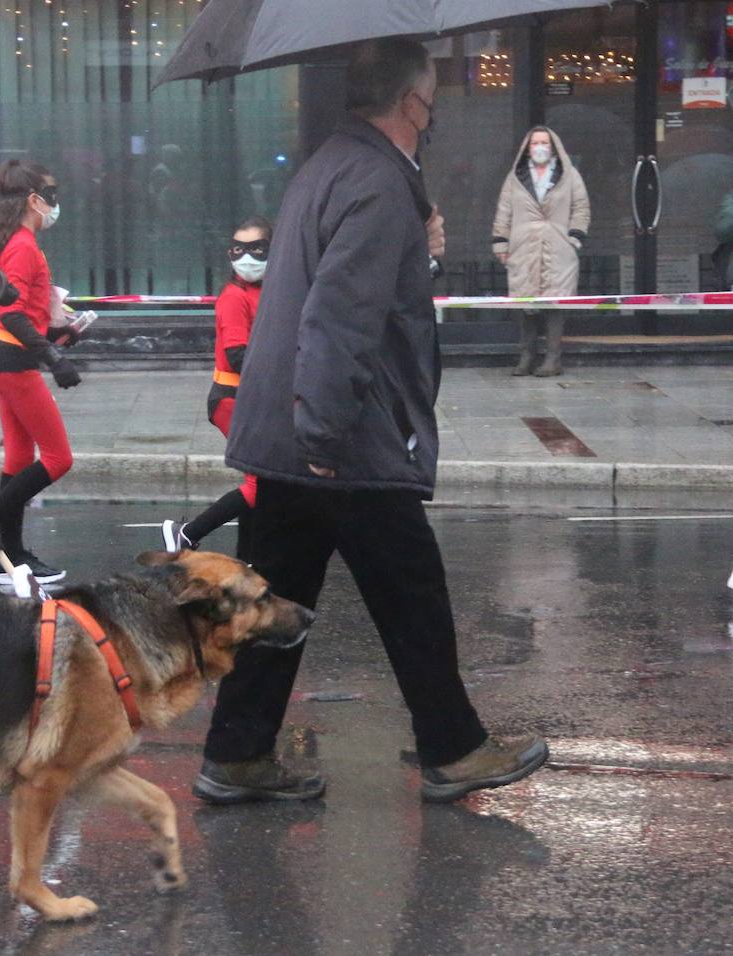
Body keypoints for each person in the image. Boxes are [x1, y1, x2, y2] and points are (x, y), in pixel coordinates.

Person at [193, 38, 548, 807]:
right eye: (434, 95)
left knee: (270, 603)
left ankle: (237, 753)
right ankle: (454, 748)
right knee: (411, 589)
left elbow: (343, 290)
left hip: (294, 433)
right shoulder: (379, 182)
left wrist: (417, 254)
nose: (436, 109)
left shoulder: (332, 167)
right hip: (340, 438)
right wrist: (323, 434)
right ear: (414, 103)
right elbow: (339, 319)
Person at [0, 159, 79, 587]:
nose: (56, 204)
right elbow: (8, 310)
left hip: (12, 357)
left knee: (20, 461)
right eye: (51, 195)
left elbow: (23, 311)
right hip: (13, 360)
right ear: (34, 200)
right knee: (58, 460)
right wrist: (51, 357)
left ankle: (8, 554)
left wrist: (60, 335)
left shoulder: (21, 241)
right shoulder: (21, 244)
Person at [160, 217, 269, 553]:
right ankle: (188, 534)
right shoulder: (235, 296)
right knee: (260, 483)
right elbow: (238, 355)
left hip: (250, 396)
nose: (246, 257)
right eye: (239, 249)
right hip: (233, 397)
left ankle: (249, 558)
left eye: (256, 249)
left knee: (259, 478)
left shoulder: (265, 291)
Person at [491, 125, 590, 377]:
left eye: (544, 142)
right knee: (526, 302)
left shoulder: (569, 175)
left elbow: (581, 207)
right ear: (527, 148)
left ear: (553, 147)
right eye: (534, 143)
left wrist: (575, 237)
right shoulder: (516, 178)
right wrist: (501, 244)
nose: (539, 147)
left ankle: (552, 359)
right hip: (523, 248)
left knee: (555, 303)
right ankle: (527, 356)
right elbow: (504, 211)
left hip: (558, 248)